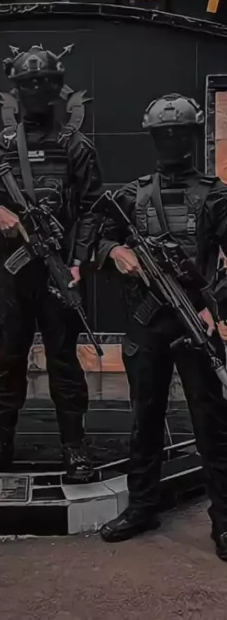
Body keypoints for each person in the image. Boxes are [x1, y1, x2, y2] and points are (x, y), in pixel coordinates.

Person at [96, 94, 227, 562]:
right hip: (146, 321)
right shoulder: (132, 195)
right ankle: (142, 507)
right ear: (152, 138)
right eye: (163, 134)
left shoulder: (215, 195)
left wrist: (215, 306)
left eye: (179, 133)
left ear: (192, 136)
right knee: (145, 418)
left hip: (195, 319)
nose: (172, 141)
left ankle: (224, 519)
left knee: (211, 423)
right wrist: (116, 252)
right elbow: (97, 238)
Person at [0, 44, 103, 481]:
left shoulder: (75, 146)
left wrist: (78, 261)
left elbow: (93, 208)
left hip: (59, 269)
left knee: (64, 361)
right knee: (9, 360)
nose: (37, 91)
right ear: (17, 90)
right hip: (12, 273)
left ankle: (74, 447)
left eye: (45, 83)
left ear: (58, 88)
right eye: (28, 84)